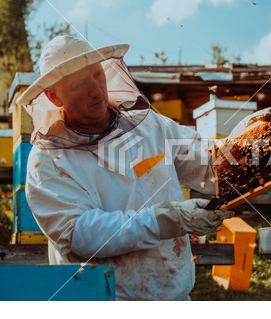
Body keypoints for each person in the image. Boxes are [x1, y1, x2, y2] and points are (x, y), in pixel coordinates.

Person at [18, 36, 236, 301]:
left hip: (173, 298)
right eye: (79, 84)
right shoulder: (47, 162)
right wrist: (165, 220)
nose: (97, 91)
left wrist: (250, 140)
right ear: (53, 96)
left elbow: (208, 163)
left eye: (98, 75)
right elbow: (79, 235)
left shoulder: (150, 127)